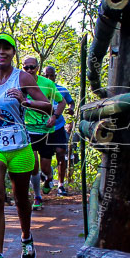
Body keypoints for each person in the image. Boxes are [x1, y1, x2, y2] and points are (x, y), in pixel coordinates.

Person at [0, 32, 51, 258]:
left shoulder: (23, 77)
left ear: (13, 52)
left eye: (6, 48)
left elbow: (48, 107)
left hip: (20, 145)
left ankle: (26, 237)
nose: (1, 52)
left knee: (21, 199)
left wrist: (25, 101)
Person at [21, 57, 59, 210]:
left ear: (37, 67)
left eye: (32, 67)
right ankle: (37, 196)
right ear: (23, 68)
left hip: (46, 130)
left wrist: (54, 116)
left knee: (44, 168)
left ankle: (49, 177)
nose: (30, 70)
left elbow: (61, 101)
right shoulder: (19, 83)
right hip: (29, 129)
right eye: (26, 68)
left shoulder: (48, 84)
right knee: (33, 166)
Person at [43, 66, 75, 196]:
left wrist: (71, 109)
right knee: (45, 159)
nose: (49, 78)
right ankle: (48, 176)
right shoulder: (38, 89)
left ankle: (61, 185)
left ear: (55, 76)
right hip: (43, 128)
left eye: (51, 75)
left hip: (58, 126)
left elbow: (71, 102)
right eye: (47, 75)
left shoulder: (61, 89)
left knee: (61, 153)